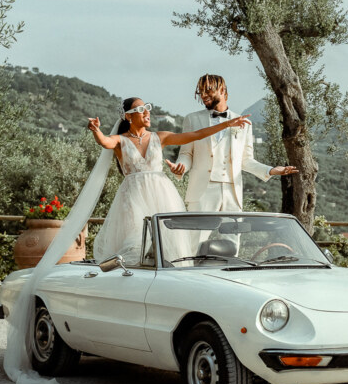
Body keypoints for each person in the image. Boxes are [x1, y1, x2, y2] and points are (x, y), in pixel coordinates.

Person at [88, 97, 251, 261]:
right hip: (133, 198)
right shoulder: (120, 140)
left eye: (147, 108)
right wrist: (96, 130)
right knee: (135, 240)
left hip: (162, 196)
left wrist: (227, 124)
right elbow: (104, 141)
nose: (147, 112)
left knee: (168, 241)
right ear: (129, 116)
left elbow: (196, 135)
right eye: (140, 109)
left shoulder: (160, 137)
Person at [168, 74, 298, 212]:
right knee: (198, 234)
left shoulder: (244, 122)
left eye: (208, 90)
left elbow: (246, 160)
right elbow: (186, 153)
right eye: (201, 92)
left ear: (222, 90)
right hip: (201, 192)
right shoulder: (192, 119)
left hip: (232, 193)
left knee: (232, 234)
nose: (203, 95)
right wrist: (180, 166)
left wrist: (270, 170)